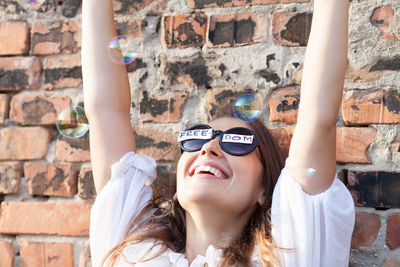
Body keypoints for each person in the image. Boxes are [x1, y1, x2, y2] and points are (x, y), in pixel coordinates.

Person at [82, 0, 355, 266]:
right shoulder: (131, 252)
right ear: (177, 189)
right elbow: (106, 111)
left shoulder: (292, 253)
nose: (208, 147)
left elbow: (318, 119)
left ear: (264, 190)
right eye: (196, 138)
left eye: (237, 142)